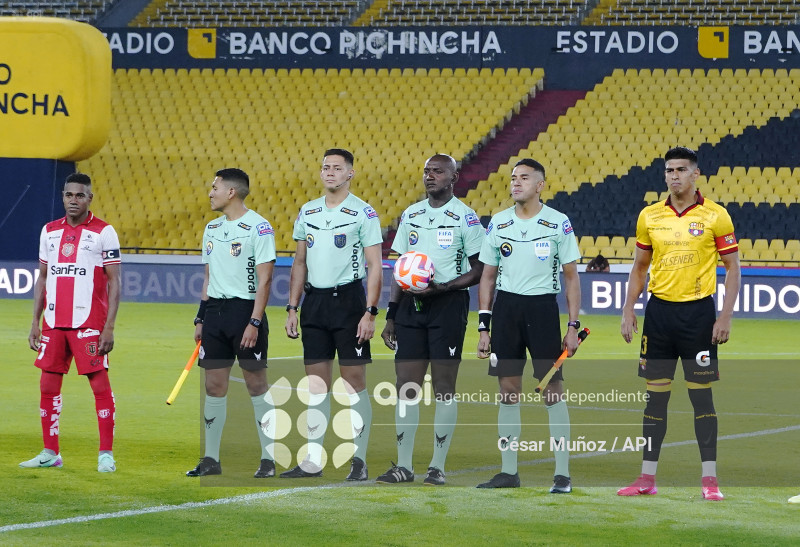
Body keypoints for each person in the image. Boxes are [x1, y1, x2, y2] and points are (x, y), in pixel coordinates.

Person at [618, 146, 740, 501]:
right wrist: (629, 308)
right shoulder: (650, 216)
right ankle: (646, 479)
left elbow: (733, 268)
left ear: (695, 174)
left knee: (701, 399)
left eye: (681, 169)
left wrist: (725, 314)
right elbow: (640, 267)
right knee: (655, 400)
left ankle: (710, 481)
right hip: (659, 316)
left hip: (698, 317)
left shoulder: (717, 216)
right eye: (669, 170)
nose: (674, 175)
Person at [475, 158, 581, 493]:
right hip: (506, 310)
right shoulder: (499, 223)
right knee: (508, 391)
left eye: (524, 178)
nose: (516, 183)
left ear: (540, 185)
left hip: (542, 311)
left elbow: (571, 278)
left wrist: (573, 326)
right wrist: (483, 327)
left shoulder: (558, 223)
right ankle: (509, 472)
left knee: (552, 390)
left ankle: (562, 475)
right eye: (513, 177)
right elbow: (487, 277)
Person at [377, 154, 485, 486]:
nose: (430, 176)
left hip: (448, 306)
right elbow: (400, 270)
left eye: (438, 171)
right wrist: (391, 315)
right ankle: (404, 466)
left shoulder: (466, 218)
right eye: (426, 171)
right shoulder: (411, 214)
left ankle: (437, 467)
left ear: (454, 177)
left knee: (443, 388)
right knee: (406, 385)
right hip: (410, 307)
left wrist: (443, 288)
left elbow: (479, 269)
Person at [283, 148, 382, 481]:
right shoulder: (307, 211)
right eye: (326, 167)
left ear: (350, 174)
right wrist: (292, 307)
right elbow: (299, 262)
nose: (329, 173)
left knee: (354, 385)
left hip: (349, 303)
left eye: (337, 168)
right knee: (316, 386)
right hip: (315, 303)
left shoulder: (363, 214)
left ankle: (360, 460)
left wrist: (369, 312)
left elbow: (374, 266)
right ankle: (312, 460)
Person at [22, 172, 121, 473]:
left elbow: (115, 283)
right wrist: (35, 322)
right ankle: (50, 452)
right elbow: (42, 279)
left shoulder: (105, 232)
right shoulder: (49, 231)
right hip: (53, 323)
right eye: (68, 195)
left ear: (90, 198)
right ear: (63, 196)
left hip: (89, 323)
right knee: (47, 386)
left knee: (100, 386)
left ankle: (106, 454)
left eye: (80, 195)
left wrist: (109, 327)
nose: (73, 200)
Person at [186, 168, 277, 479]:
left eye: (215, 187)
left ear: (231, 192)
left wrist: (254, 321)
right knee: (214, 386)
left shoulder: (259, 228)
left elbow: (265, 280)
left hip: (245, 313)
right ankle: (211, 459)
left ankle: (268, 458)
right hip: (215, 314)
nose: (210, 192)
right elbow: (209, 276)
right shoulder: (211, 229)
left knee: (256, 385)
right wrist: (201, 316)